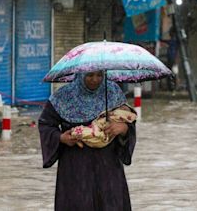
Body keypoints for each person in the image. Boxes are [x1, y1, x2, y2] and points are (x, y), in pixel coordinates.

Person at [38, 71, 137, 211]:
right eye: (89, 75)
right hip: (75, 167)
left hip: (108, 166)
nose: (95, 80)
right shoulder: (62, 97)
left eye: (99, 75)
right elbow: (46, 124)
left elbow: (128, 119)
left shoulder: (113, 92)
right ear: (80, 74)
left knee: (111, 204)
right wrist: (61, 138)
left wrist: (124, 128)